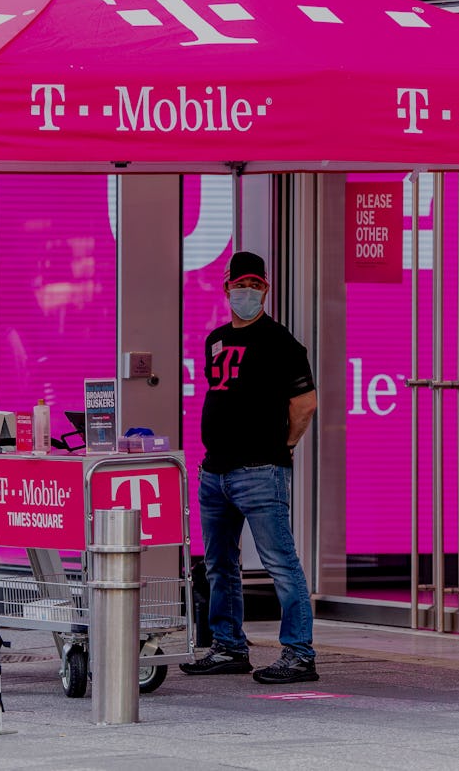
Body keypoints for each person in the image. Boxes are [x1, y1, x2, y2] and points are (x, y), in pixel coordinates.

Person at [180, 251, 318, 684]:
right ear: (226, 289)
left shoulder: (282, 343)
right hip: (214, 471)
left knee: (280, 562)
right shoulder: (215, 340)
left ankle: (299, 654)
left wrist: (285, 445)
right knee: (220, 565)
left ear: (266, 290)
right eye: (240, 285)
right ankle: (228, 646)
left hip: (259, 471)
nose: (247, 292)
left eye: (255, 285)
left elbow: (305, 404)